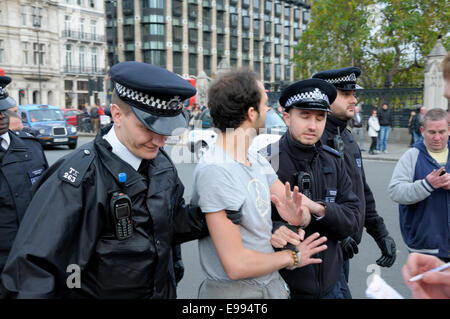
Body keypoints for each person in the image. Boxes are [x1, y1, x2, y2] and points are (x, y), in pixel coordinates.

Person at [0, 62, 240, 299]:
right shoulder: (78, 177)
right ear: (117, 114)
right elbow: (31, 272)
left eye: (167, 129)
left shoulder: (162, 165)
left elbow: (168, 225)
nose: (160, 140)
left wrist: (213, 214)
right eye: (149, 127)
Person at [192, 69, 328, 299]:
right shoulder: (216, 170)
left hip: (268, 287)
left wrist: (315, 210)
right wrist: (293, 257)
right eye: (265, 104)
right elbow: (236, 265)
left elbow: (286, 197)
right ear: (251, 113)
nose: (269, 109)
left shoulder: (253, 158)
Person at [263, 79, 361, 299]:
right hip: (283, 287)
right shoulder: (266, 161)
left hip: (331, 286)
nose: (313, 126)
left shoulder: (334, 160)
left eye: (320, 117)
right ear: (287, 117)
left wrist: (318, 209)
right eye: (305, 116)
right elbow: (246, 220)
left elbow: (352, 220)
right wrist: (274, 229)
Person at [312, 67, 396, 294]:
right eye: (346, 94)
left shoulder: (347, 138)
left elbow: (361, 192)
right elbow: (305, 201)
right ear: (325, 97)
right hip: (318, 254)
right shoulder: (312, 141)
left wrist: (380, 233)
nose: (354, 99)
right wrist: (337, 233)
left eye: (353, 93)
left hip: (344, 252)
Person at [0, 76, 48, 296]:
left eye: (5, 110)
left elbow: (48, 199)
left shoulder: (31, 147)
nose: (3, 116)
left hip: (31, 259)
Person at [388, 108, 449, 262]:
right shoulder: (411, 156)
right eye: (431, 132)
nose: (437, 137)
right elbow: (396, 192)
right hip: (425, 248)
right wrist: (427, 184)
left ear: (449, 130)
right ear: (422, 130)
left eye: (442, 132)